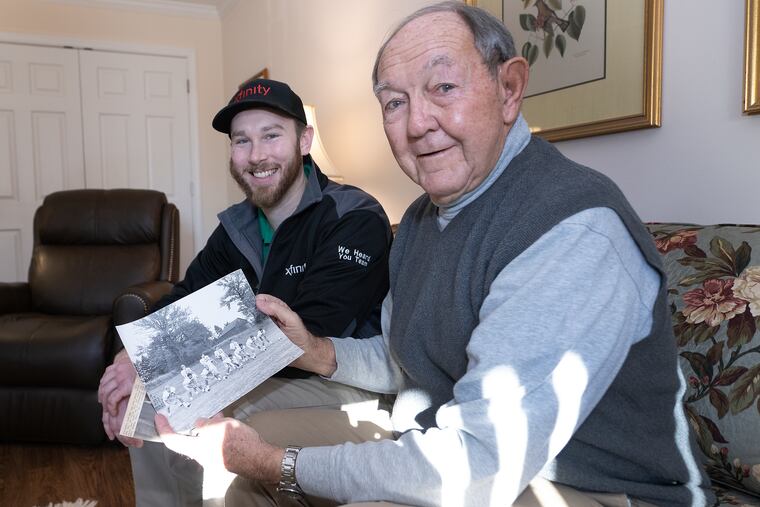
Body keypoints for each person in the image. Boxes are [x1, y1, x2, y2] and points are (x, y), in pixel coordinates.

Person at [155, 3, 715, 507]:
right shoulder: (423, 218)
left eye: (442, 86)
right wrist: (318, 351)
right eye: (395, 102)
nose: (417, 123)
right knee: (239, 472)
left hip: (598, 485)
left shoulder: (571, 229)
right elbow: (405, 360)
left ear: (509, 90)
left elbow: (480, 466)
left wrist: (279, 465)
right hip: (436, 434)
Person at [97, 78, 393, 506]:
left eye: (272, 135)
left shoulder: (353, 217)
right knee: (140, 405)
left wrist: (163, 364)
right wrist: (132, 363)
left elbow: (304, 334)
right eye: (242, 141)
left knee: (202, 418)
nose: (256, 155)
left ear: (304, 140)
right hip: (256, 369)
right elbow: (184, 297)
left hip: (336, 378)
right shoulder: (237, 226)